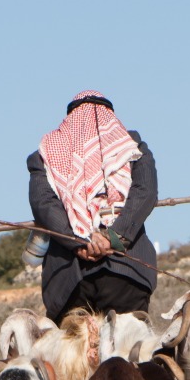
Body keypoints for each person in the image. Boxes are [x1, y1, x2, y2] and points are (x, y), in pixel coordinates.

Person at [27, 90, 158, 324]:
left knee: (73, 359)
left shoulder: (44, 154)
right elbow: (145, 193)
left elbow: (44, 204)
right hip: (127, 271)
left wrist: (78, 242)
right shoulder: (131, 146)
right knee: (128, 357)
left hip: (70, 279)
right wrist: (113, 239)